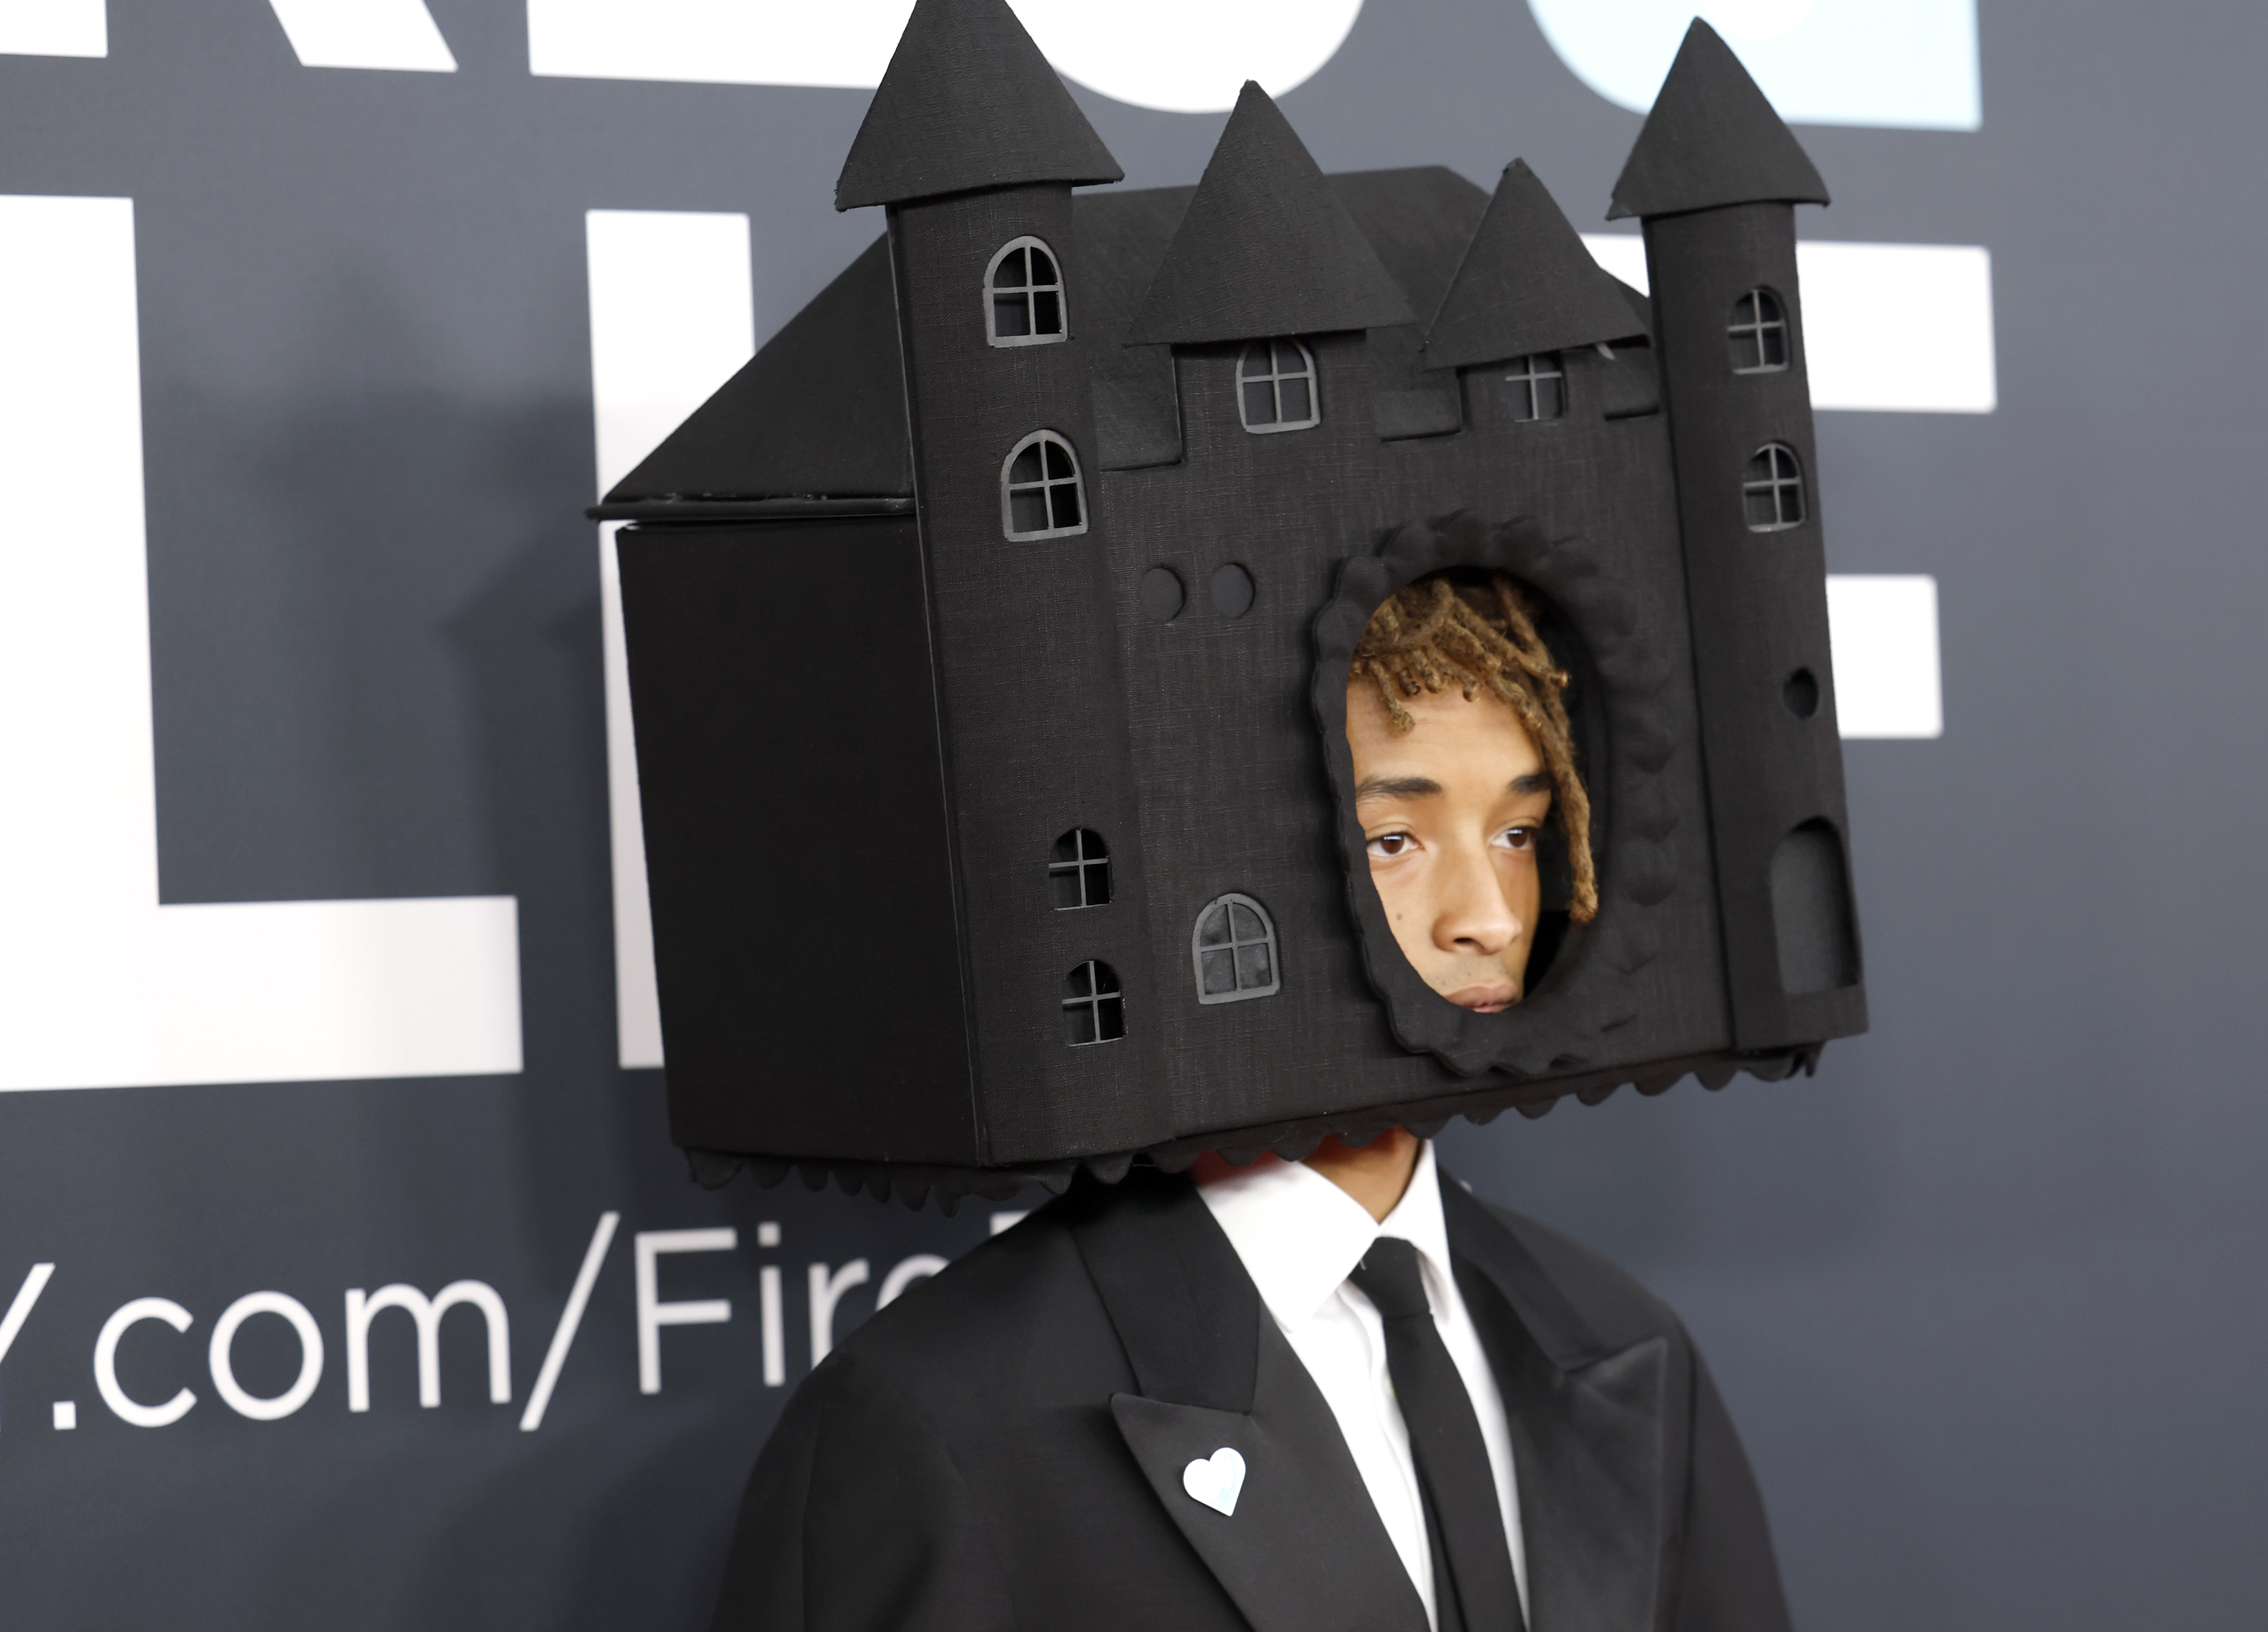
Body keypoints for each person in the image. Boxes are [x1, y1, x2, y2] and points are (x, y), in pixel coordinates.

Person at [709, 573, 1794, 1632]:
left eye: (1517, 832)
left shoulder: (1624, 1342)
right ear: (1215, 865)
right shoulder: (937, 1422)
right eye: (1395, 841)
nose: (1490, 919)